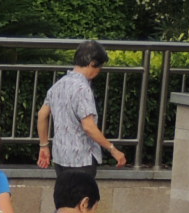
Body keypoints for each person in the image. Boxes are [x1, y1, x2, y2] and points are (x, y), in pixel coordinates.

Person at [37, 41, 127, 180]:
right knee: (84, 200)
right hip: (82, 158)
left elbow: (42, 115)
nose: (99, 71)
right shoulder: (82, 88)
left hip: (60, 156)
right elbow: (88, 126)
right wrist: (112, 149)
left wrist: (44, 146)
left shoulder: (59, 84)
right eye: (100, 67)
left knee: (65, 199)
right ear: (92, 63)